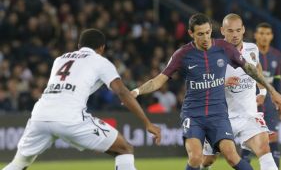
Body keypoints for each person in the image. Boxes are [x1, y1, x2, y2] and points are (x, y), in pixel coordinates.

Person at [131, 13, 281, 170]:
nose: (206, 38)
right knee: (200, 160)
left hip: (229, 115)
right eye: (200, 34)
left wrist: (270, 91)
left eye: (208, 33)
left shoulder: (229, 48)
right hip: (202, 114)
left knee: (246, 153)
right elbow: (158, 80)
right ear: (191, 33)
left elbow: (251, 69)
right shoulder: (183, 54)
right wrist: (137, 91)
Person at [2, 28, 161, 170]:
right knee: (124, 148)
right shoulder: (100, 61)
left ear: (79, 46)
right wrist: (147, 123)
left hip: (40, 116)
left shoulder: (60, 59)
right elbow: (122, 92)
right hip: (69, 117)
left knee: (19, 164)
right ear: (102, 48)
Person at [202, 14, 279, 170]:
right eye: (230, 30)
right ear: (223, 30)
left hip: (248, 115)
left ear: (243, 29)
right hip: (221, 117)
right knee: (207, 161)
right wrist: (222, 83)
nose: (235, 34)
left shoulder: (252, 49)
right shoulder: (212, 54)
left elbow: (256, 70)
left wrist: (263, 91)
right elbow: (202, 86)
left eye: (238, 30)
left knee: (264, 149)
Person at [241, 23, 281, 168]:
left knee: (273, 140)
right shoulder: (248, 52)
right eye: (261, 33)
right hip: (252, 103)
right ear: (255, 35)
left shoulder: (276, 55)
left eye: (267, 33)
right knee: (248, 143)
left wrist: (279, 103)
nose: (264, 36)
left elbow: (277, 80)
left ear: (271, 36)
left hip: (270, 105)